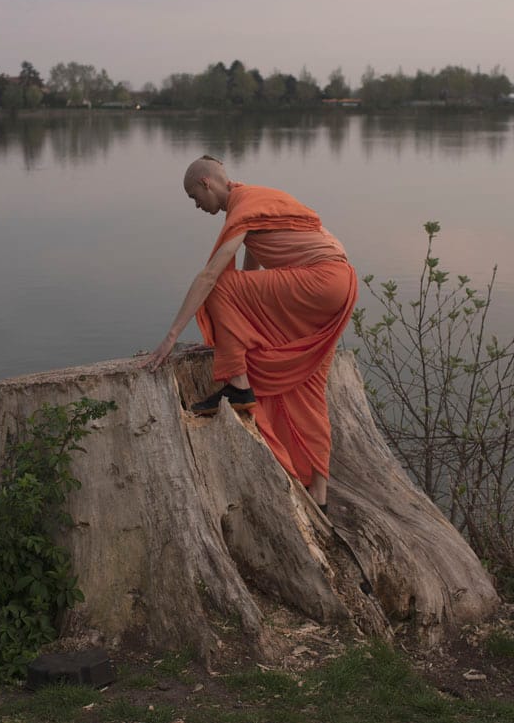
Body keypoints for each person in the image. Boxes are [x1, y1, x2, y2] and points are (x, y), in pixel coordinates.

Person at [141, 156, 357, 512]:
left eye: (195, 197)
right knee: (310, 385)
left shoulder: (244, 205)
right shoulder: (255, 201)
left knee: (220, 286)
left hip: (319, 281)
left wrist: (171, 336)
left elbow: (212, 278)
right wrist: (236, 329)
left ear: (207, 184)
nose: (197, 206)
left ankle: (239, 386)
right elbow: (252, 266)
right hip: (341, 286)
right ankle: (319, 495)